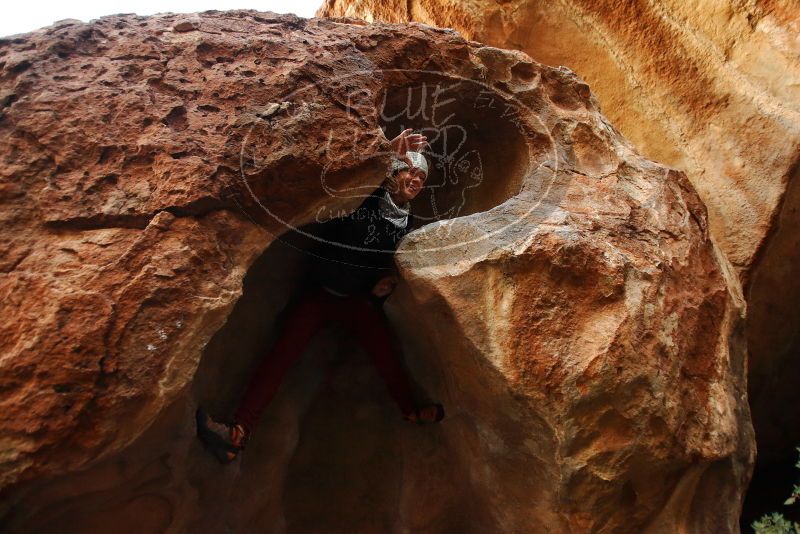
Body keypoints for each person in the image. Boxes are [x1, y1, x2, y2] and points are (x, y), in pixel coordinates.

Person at [196, 129, 445, 464]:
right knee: (281, 356)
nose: (415, 179)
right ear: (393, 174)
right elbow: (343, 178)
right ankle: (237, 433)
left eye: (421, 177)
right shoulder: (365, 197)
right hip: (320, 293)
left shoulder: (407, 220)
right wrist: (387, 153)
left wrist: (378, 286)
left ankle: (411, 411)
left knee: (386, 356)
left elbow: (379, 258)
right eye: (409, 172)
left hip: (357, 301)